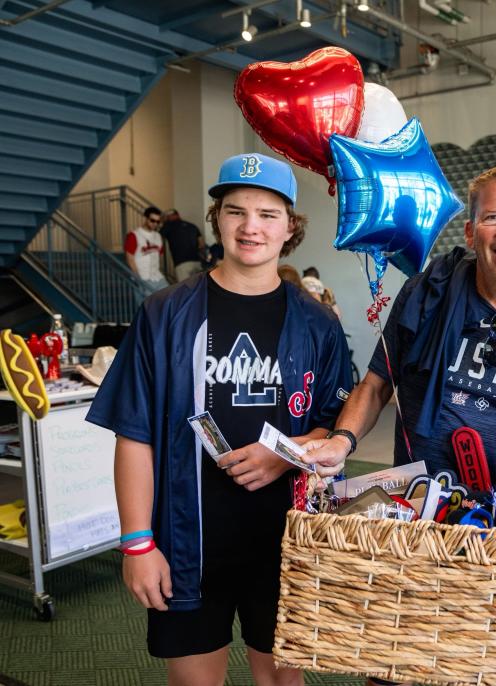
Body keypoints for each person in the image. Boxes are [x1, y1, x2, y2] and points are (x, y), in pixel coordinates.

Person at [302, 164, 496, 685]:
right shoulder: (425, 297)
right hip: (410, 528)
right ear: (469, 231)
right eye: (492, 218)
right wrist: (342, 440)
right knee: (393, 669)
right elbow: (376, 384)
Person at [87, 152, 353, 686]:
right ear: (217, 220)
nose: (250, 227)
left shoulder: (318, 323)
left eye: (267, 214)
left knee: (282, 680)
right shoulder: (164, 313)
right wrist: (138, 543)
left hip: (284, 537)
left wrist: (286, 456)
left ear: (290, 227)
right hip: (186, 538)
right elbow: (134, 433)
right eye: (235, 211)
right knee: (194, 682)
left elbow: (333, 426)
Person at [125, 206, 169, 296]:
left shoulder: (158, 236)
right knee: (147, 306)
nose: (155, 224)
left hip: (157, 277)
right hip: (143, 277)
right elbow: (130, 258)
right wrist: (138, 277)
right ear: (145, 218)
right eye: (152, 220)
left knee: (169, 297)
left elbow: (158, 255)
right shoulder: (134, 235)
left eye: (158, 222)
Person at [161, 208, 207, 282]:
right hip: (197, 262)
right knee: (198, 287)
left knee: (185, 290)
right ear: (178, 215)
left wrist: (163, 222)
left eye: (167, 217)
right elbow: (202, 244)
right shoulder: (192, 226)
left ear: (168, 217)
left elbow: (157, 236)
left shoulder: (168, 226)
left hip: (182, 263)